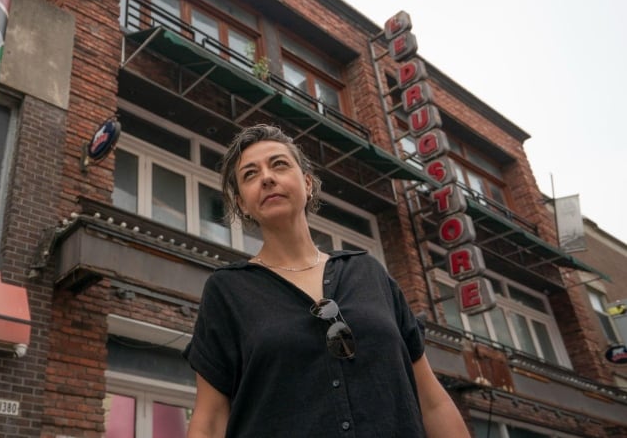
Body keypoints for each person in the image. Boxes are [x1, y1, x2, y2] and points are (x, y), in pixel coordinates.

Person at [183, 124, 470, 438]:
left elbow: (432, 403)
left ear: (307, 184)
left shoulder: (369, 273)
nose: (266, 177)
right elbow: (210, 421)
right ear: (241, 203)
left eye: (279, 164)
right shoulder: (228, 291)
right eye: (250, 175)